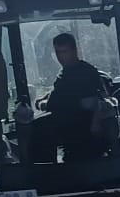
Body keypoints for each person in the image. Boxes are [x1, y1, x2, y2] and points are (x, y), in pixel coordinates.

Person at [32, 32, 112, 163]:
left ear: (75, 50)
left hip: (81, 125)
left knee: (38, 127)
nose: (61, 57)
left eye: (65, 51)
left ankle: (44, 173)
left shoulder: (85, 73)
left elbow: (97, 99)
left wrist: (42, 103)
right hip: (69, 121)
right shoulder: (65, 73)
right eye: (58, 52)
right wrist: (43, 98)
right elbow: (57, 93)